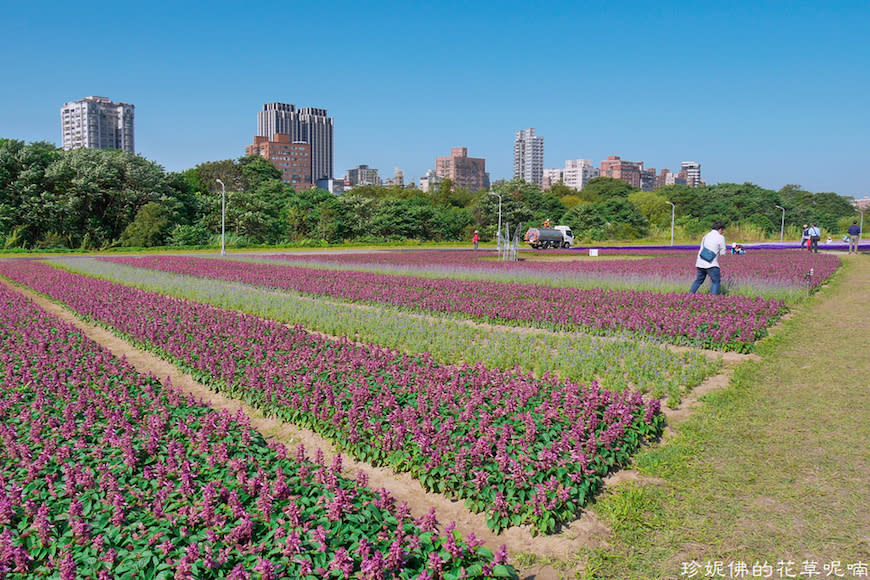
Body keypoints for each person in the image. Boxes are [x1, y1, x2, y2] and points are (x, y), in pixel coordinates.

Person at [689, 221, 727, 295]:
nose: (722, 232)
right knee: (716, 282)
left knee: (698, 280)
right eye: (722, 230)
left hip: (700, 262)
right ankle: (713, 299)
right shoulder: (720, 237)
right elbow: (723, 252)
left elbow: (702, 248)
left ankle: (689, 295)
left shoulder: (706, 236)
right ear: (720, 229)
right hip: (711, 263)